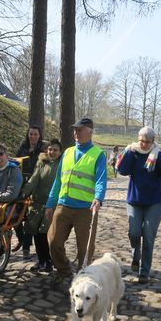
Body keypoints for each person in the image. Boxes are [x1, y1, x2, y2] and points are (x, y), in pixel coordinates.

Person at [44, 117, 107, 283]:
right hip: (63, 206)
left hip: (86, 209)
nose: (76, 133)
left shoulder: (98, 154)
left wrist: (98, 198)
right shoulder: (67, 152)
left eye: (80, 130)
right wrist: (50, 203)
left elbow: (101, 180)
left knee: (85, 249)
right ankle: (64, 269)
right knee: (53, 240)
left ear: (90, 132)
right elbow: (58, 181)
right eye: (75, 130)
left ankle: (83, 278)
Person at [115, 126, 161, 284]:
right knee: (134, 232)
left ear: (153, 142)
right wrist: (128, 152)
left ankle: (144, 271)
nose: (143, 145)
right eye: (141, 141)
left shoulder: (158, 154)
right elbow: (121, 170)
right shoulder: (133, 152)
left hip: (155, 200)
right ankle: (136, 254)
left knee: (148, 234)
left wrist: (159, 156)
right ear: (138, 139)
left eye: (147, 142)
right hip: (135, 199)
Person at [20, 138, 63, 273]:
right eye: (50, 149)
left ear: (60, 152)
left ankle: (49, 261)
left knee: (44, 233)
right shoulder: (41, 162)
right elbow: (33, 179)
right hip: (37, 203)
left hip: (52, 205)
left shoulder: (62, 164)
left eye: (55, 150)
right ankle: (41, 260)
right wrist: (23, 193)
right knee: (36, 233)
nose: (52, 152)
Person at [14, 126, 45, 259]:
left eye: (35, 134)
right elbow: (15, 163)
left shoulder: (42, 150)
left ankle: (26, 247)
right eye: (30, 134)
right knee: (15, 212)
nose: (32, 136)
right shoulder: (22, 148)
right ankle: (21, 238)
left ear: (39, 136)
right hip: (20, 183)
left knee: (29, 216)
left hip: (35, 184)